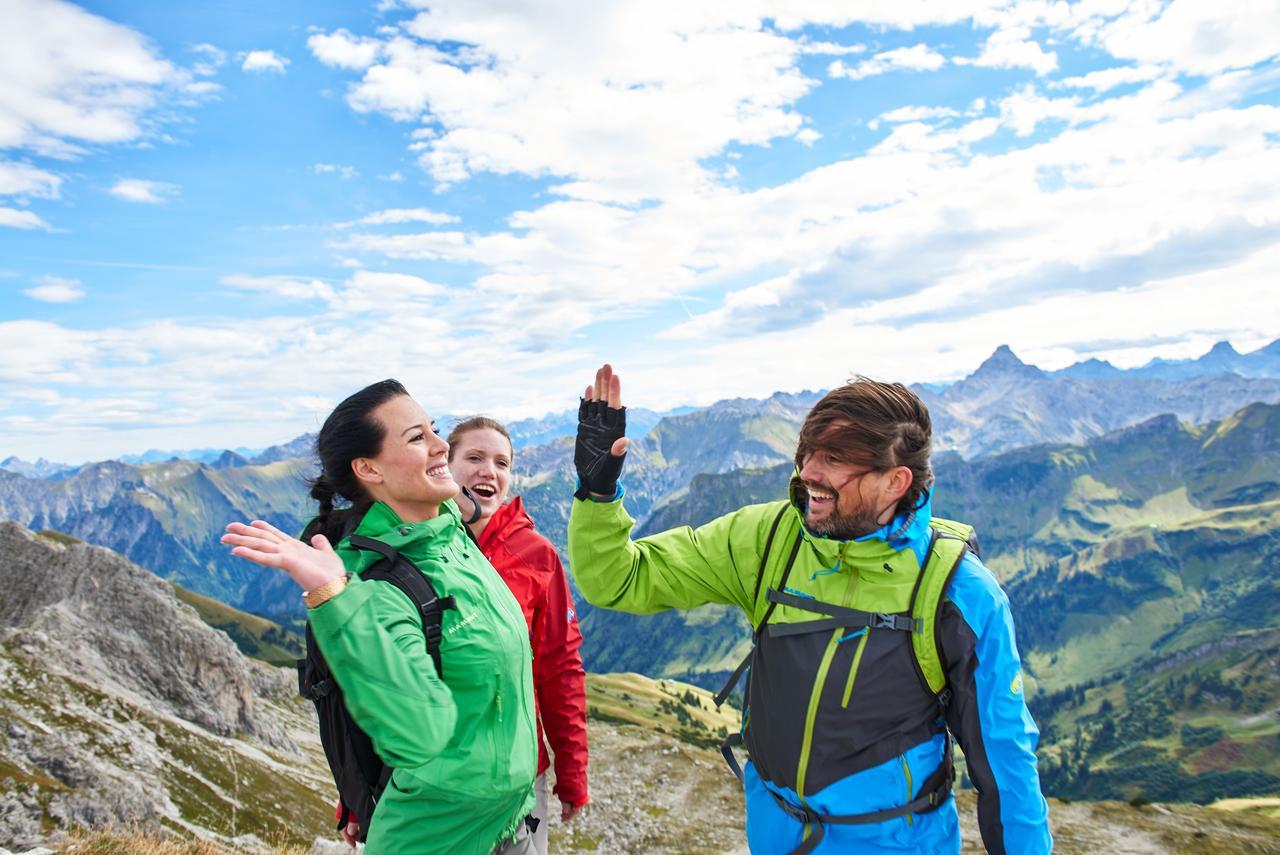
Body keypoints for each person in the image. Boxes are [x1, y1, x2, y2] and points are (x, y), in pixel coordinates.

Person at [566, 365, 1052, 855]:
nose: (808, 474)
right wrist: (598, 491)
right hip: (775, 837)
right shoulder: (770, 538)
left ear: (896, 481)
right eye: (807, 454)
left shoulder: (958, 592)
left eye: (835, 459)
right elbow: (616, 580)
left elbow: (1005, 761)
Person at [221, 379, 538, 855]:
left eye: (434, 430)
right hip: (437, 839)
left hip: (508, 823)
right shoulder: (379, 584)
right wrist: (336, 598)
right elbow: (418, 728)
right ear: (368, 468)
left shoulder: (446, 528)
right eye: (417, 438)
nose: (439, 446)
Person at [447, 417, 590, 854]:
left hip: (521, 774)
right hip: (433, 775)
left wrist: (572, 773)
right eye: (474, 458)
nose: (488, 470)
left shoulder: (537, 555)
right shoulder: (416, 547)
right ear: (445, 466)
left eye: (501, 462)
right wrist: (355, 796)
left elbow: (560, 669)